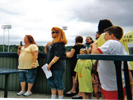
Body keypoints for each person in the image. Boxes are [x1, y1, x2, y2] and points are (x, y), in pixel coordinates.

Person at [90, 26, 133, 99]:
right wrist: (131, 86)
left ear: (111, 35)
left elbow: (94, 53)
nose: (104, 37)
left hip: (111, 87)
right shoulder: (121, 47)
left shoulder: (111, 42)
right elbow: (127, 69)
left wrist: (94, 45)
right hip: (117, 85)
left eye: (105, 35)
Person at [44, 27, 67, 99]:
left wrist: (50, 64)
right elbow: (46, 52)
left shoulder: (60, 44)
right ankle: (53, 97)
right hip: (50, 66)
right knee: (51, 82)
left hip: (58, 67)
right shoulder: (53, 44)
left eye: (53, 32)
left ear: (58, 34)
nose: (51, 33)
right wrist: (46, 46)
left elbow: (57, 56)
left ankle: (60, 98)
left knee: (58, 82)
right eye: (51, 32)